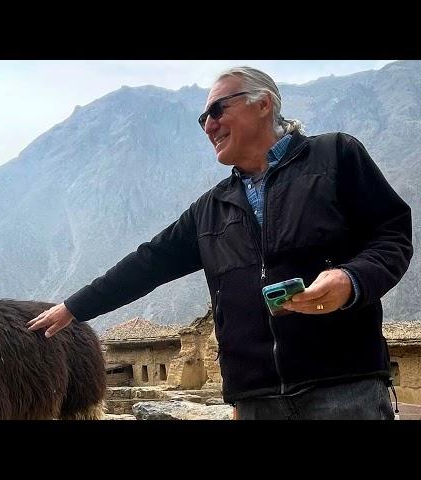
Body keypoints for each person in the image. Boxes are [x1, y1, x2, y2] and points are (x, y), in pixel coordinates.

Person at [27, 66, 413, 420]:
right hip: (256, 398)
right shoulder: (211, 209)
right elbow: (148, 263)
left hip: (343, 390)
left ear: (263, 104)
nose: (208, 126)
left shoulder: (335, 157)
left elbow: (392, 235)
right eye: (202, 119)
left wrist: (352, 279)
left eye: (216, 110)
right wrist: (74, 308)